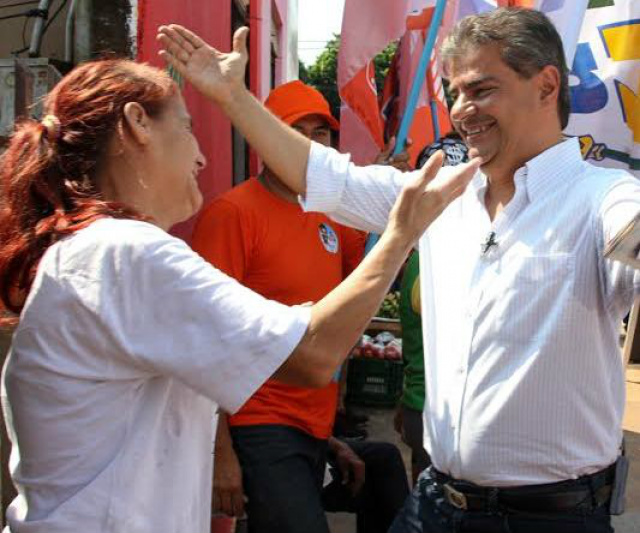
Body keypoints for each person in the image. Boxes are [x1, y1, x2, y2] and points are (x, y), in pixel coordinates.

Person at [158, 8, 639, 532]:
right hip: (435, 505)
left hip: (548, 520)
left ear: (547, 86)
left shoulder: (604, 198)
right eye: (454, 92)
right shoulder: (437, 193)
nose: (462, 110)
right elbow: (321, 175)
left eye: (481, 90)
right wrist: (233, 97)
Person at [0, 59, 477, 533]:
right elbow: (311, 354)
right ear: (137, 125)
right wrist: (402, 234)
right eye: (187, 130)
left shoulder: (97, 252)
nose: (202, 158)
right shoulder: (123, 253)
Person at [193, 80, 407, 533]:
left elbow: (371, 268)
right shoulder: (232, 215)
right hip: (257, 422)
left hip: (314, 421)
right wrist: (219, 452)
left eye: (321, 133)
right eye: (296, 131)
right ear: (265, 136)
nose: (311, 145)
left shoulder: (331, 213)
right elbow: (202, 345)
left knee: (384, 465)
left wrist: (393, 190)